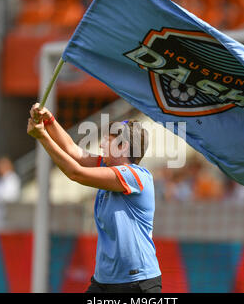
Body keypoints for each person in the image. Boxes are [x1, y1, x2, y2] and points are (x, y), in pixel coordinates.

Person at [27, 103, 162, 293]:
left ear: (123, 147)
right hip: (104, 280)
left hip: (137, 283)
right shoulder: (108, 168)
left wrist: (42, 137)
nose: (100, 144)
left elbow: (76, 173)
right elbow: (74, 151)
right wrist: (48, 120)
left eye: (106, 141)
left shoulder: (136, 176)